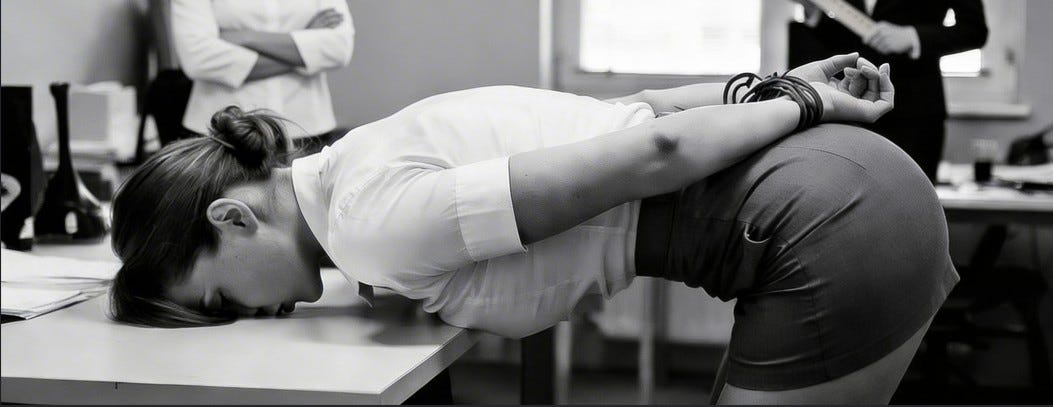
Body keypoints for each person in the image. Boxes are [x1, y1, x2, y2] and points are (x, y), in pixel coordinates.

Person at [108, 53, 955, 403]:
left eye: (218, 298)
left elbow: (657, 149)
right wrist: (779, 85)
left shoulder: (367, 221)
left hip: (826, 222)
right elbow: (640, 110)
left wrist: (801, 98)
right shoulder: (360, 158)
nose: (245, 313)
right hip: (834, 195)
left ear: (231, 215)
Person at [790, 0, 988, 182]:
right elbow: (842, 39)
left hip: (915, 113)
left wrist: (913, 36)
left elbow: (974, 29)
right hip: (847, 106)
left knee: (912, 200)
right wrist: (815, 13)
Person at [170, 0, 354, 155]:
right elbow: (198, 58)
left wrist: (246, 37)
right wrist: (305, 48)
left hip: (308, 132)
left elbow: (338, 49)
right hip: (220, 136)